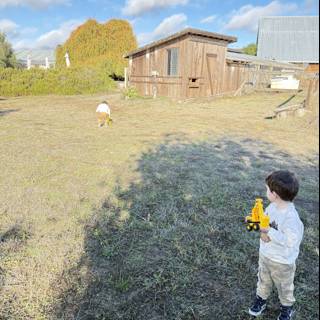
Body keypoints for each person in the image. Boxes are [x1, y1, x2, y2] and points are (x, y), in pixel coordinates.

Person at [249, 170, 304, 320]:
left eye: (267, 189)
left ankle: (287, 307)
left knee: (284, 286)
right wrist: (261, 230)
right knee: (263, 279)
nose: (266, 191)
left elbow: (291, 241)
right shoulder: (271, 207)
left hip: (282, 262)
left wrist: (269, 232)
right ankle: (261, 299)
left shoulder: (291, 218)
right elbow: (264, 223)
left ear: (275, 194)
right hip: (266, 255)